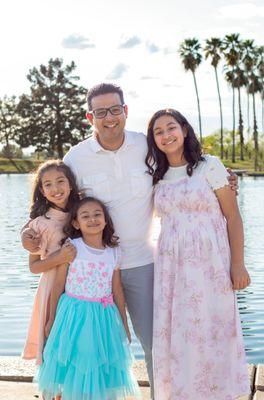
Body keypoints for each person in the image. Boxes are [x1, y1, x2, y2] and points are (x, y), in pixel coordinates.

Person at [22, 83, 238, 398]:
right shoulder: (77, 157)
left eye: (114, 109)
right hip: (89, 264)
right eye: (100, 112)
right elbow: (57, 199)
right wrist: (29, 231)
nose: (109, 117)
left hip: (144, 262)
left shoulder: (145, 146)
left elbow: (181, 171)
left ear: (125, 111)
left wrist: (223, 177)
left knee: (155, 343)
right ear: (89, 117)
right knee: (79, 344)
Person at [145, 108, 250, 400]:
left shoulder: (210, 166)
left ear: (185, 130)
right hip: (171, 267)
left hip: (211, 264)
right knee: (178, 331)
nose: (166, 135)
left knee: (212, 327)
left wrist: (238, 265)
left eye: (171, 128)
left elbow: (233, 217)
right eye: (158, 132)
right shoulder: (157, 177)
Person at [36, 196, 140, 400]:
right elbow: (58, 287)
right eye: (85, 216)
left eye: (97, 214)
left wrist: (124, 325)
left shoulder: (114, 253)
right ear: (76, 222)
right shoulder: (72, 247)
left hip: (103, 318)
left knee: (100, 363)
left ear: (105, 219)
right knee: (78, 361)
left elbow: (117, 291)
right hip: (74, 316)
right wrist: (51, 319)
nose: (92, 219)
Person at [22, 160, 78, 365]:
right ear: (42, 191)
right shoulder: (40, 223)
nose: (56, 189)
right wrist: (60, 257)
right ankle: (51, 392)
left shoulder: (81, 213)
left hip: (80, 287)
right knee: (52, 340)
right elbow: (34, 267)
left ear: (70, 184)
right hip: (51, 287)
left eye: (60, 181)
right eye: (48, 184)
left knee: (74, 343)